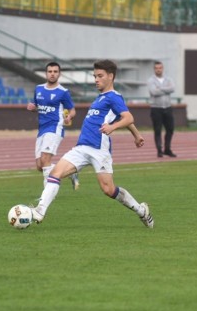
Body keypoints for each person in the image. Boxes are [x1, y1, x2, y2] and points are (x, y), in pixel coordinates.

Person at [31, 59, 154, 228]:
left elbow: (128, 117)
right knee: (55, 173)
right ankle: (40, 210)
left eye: (100, 76)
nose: (96, 79)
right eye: (95, 76)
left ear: (110, 76)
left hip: (99, 150)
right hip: (81, 147)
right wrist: (136, 134)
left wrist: (113, 127)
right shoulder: (100, 98)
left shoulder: (114, 97)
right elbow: (123, 118)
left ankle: (141, 210)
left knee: (108, 190)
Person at [27, 62, 79, 190]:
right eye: (50, 71)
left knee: (45, 160)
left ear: (59, 74)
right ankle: (71, 172)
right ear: (46, 73)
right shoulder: (38, 88)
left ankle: (46, 195)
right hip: (42, 129)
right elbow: (36, 106)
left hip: (55, 128)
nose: (52, 74)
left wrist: (69, 117)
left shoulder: (63, 92)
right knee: (40, 166)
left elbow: (72, 110)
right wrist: (32, 108)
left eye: (55, 71)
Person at [148, 61, 177, 157]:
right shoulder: (151, 80)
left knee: (170, 129)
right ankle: (159, 150)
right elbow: (153, 92)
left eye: (160, 68)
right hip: (156, 108)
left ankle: (167, 149)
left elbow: (172, 88)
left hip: (167, 107)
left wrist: (160, 88)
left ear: (162, 68)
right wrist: (166, 89)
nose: (158, 70)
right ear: (154, 69)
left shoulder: (168, 79)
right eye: (156, 68)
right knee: (157, 130)